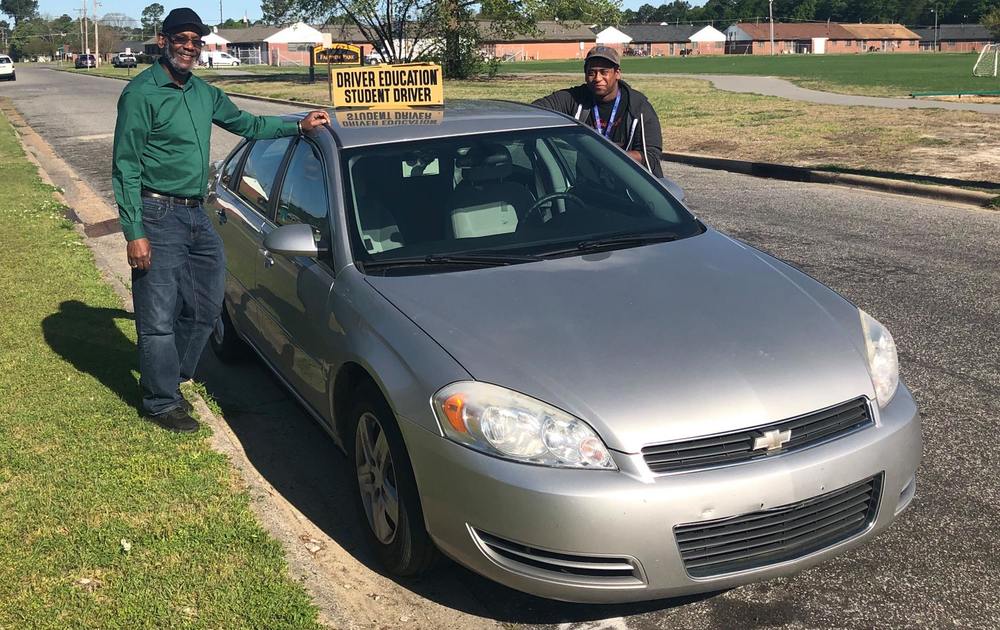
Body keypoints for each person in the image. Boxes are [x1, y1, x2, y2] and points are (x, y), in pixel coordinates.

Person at [112, 7, 330, 433]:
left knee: (208, 306)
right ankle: (160, 401)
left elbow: (245, 123)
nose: (189, 47)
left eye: (196, 41)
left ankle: (169, 377)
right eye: (182, 39)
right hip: (157, 213)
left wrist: (296, 125)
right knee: (157, 314)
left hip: (196, 212)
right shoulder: (141, 94)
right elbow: (125, 167)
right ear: (164, 40)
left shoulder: (202, 93)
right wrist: (134, 232)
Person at [532, 45, 663, 177]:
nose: (597, 78)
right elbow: (533, 111)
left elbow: (650, 156)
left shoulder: (638, 107)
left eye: (604, 72)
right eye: (591, 72)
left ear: (617, 73)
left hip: (629, 185)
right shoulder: (575, 98)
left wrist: (608, 156)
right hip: (590, 185)